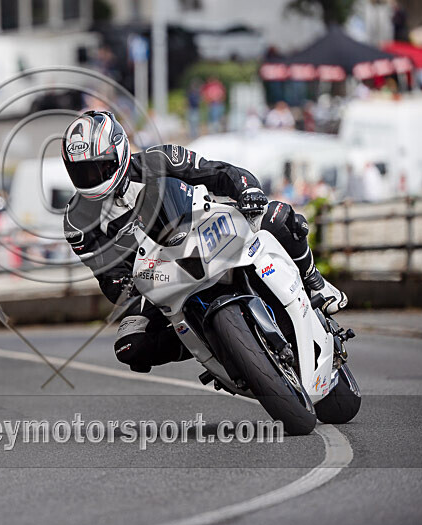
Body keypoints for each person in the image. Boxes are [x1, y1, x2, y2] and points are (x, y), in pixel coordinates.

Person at [61, 110, 347, 374]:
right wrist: (121, 287)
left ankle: (315, 282)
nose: (92, 178)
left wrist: (247, 191)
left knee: (280, 216)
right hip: (156, 281)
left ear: (120, 152)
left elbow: (220, 172)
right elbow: (105, 273)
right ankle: (218, 349)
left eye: (100, 168)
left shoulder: (162, 159)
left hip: (206, 234)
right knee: (131, 346)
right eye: (82, 172)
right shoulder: (76, 223)